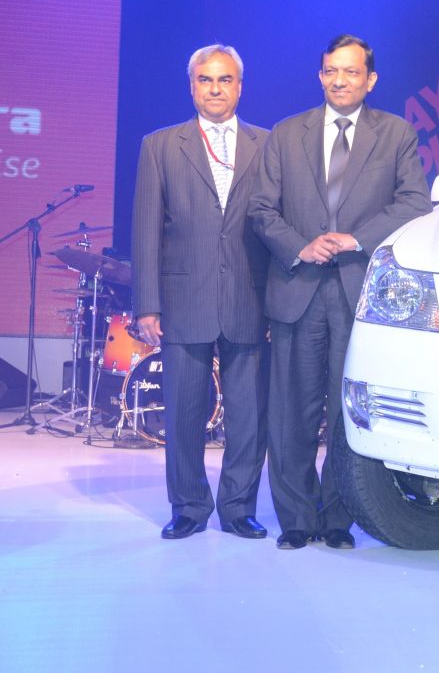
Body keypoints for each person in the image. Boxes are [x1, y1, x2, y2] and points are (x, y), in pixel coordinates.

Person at [249, 34, 432, 551]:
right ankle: (295, 519)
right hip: (297, 288)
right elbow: (261, 209)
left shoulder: (395, 134)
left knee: (348, 412)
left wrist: (355, 239)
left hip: (359, 293)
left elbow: (414, 202)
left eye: (351, 72)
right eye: (331, 71)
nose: (340, 80)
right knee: (291, 413)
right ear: (320, 75)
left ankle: (337, 518)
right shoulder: (287, 134)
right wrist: (301, 246)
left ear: (370, 80)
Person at [131, 44, 270, 541]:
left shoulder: (267, 144)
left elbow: (277, 226)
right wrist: (147, 303)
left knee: (249, 416)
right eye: (205, 79)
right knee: (184, 412)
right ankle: (188, 507)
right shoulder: (160, 146)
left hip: (249, 298)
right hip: (184, 298)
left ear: (240, 86)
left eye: (225, 79)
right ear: (191, 86)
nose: (215, 89)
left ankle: (238, 508)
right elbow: (146, 230)